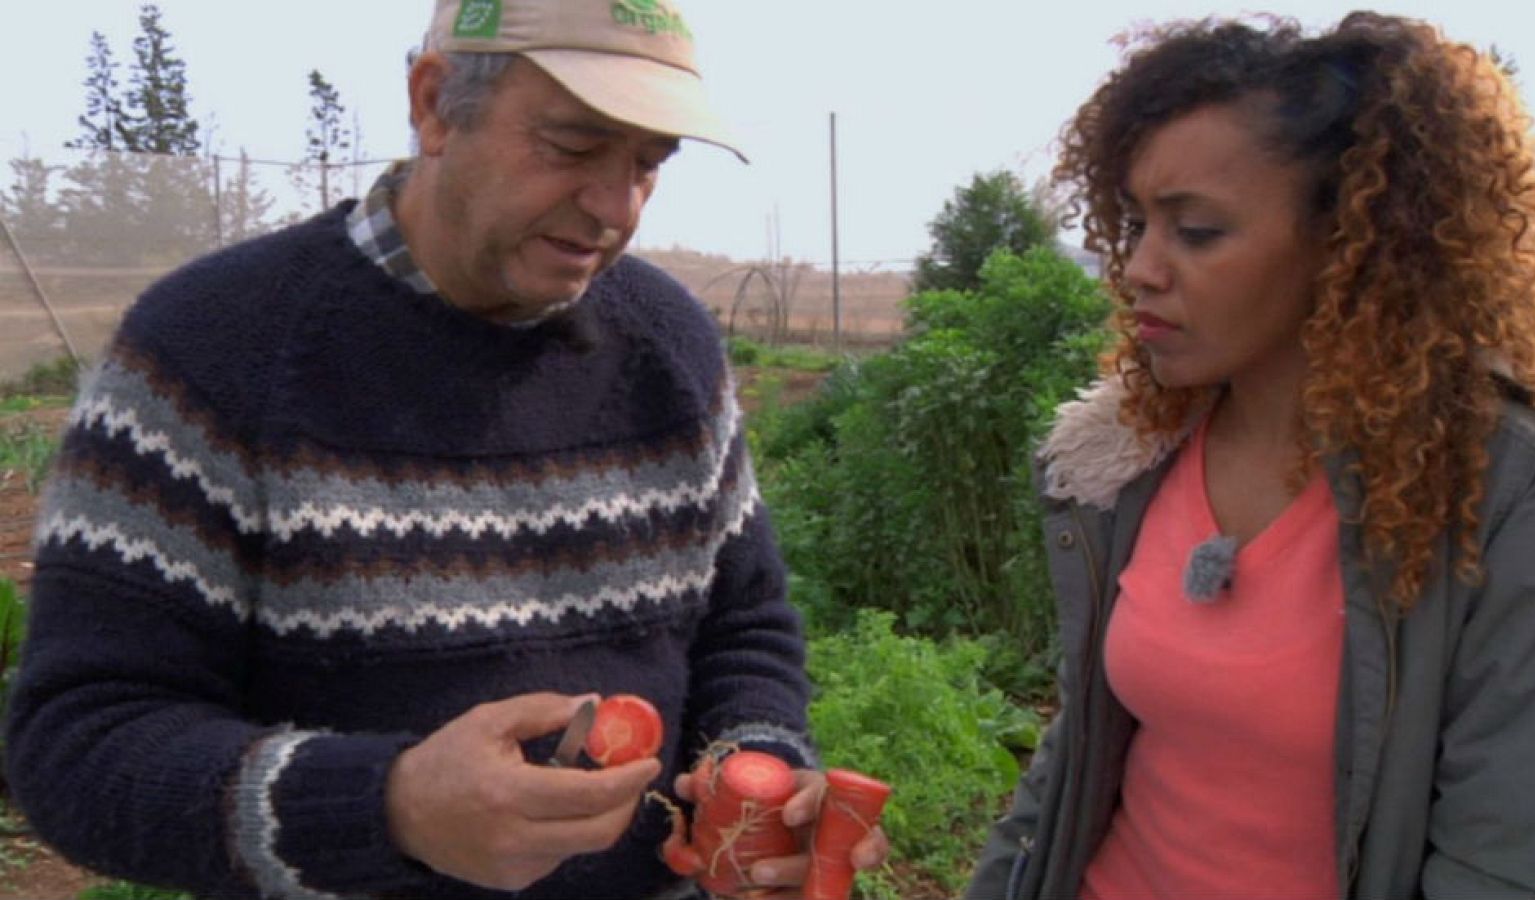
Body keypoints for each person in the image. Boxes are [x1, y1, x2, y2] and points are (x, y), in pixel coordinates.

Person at [5, 1, 886, 897]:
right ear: (434, 104)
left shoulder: (670, 344)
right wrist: (390, 807)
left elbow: (743, 623)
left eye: (648, 164)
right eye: (575, 146)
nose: (615, 207)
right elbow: (80, 744)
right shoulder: (211, 350)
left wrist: (755, 765)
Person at [966, 12, 1535, 900]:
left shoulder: (1503, 486)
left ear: (1349, 246)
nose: (1140, 267)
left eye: (1195, 232)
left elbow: (1519, 861)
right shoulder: (1125, 458)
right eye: (1135, 222)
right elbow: (1073, 768)